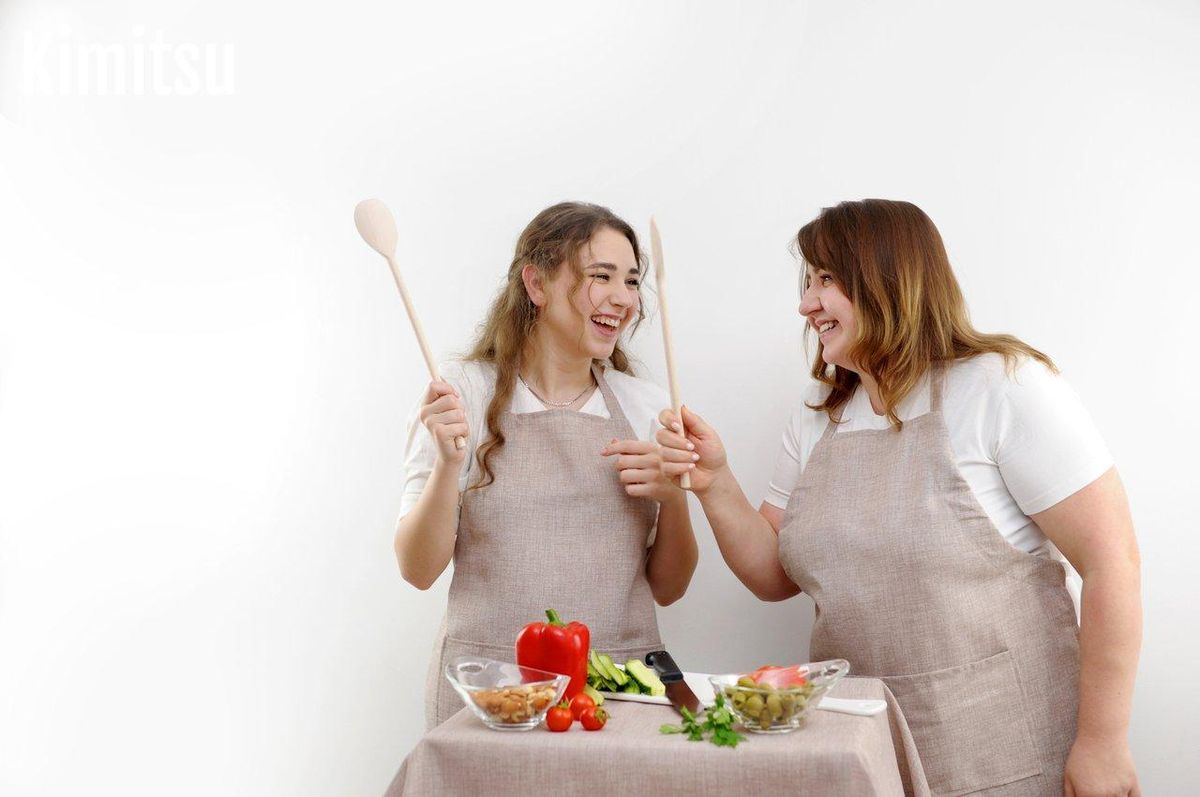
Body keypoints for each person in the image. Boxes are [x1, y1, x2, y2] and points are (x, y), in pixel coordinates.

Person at [657, 200, 1141, 796]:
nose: (806, 304)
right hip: (863, 748)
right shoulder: (819, 416)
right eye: (807, 283)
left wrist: (1103, 743)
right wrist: (715, 481)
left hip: (1006, 747)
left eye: (825, 280)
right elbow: (772, 576)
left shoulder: (1001, 386)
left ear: (886, 279)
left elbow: (1113, 563)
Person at [396, 201, 698, 729]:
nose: (623, 298)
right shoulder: (462, 393)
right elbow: (417, 570)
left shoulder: (648, 406)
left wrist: (674, 497)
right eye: (601, 276)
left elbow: (670, 588)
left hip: (617, 692)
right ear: (536, 284)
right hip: (490, 693)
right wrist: (447, 465)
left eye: (631, 281)